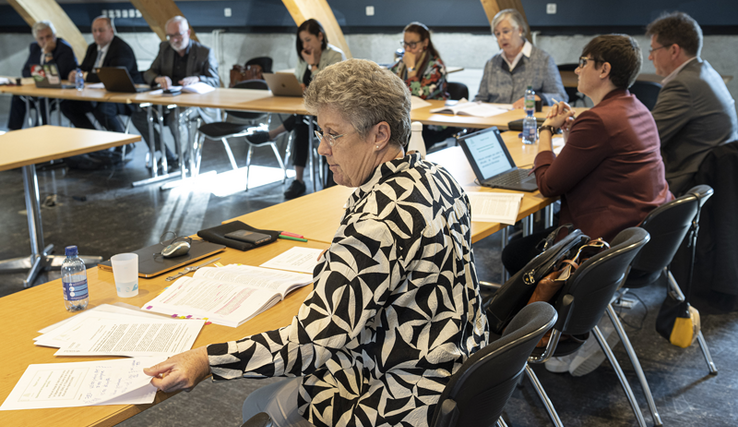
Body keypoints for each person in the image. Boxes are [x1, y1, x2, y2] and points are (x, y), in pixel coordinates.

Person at [144, 59, 488, 427]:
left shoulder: (377, 223)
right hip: (459, 366)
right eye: (321, 132)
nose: (323, 148)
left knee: (261, 407)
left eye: (334, 134)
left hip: (403, 393)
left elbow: (309, 344)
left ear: (380, 135)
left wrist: (205, 361)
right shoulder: (437, 175)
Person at [501, 34, 672, 275]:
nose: (578, 70)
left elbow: (548, 185)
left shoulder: (598, 119)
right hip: (638, 232)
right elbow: (597, 165)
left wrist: (547, 130)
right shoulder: (637, 107)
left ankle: (543, 311)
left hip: (604, 243)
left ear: (604, 69)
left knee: (514, 253)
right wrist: (571, 136)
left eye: (583, 62)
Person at [247, 19, 346, 199]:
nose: (305, 45)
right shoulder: (303, 57)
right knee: (301, 123)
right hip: (308, 110)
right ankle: (298, 180)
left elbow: (327, 87)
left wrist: (314, 65)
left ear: (320, 36)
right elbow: (300, 79)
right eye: (302, 41)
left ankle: (275, 137)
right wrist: (299, 84)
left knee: (301, 123)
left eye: (308, 40)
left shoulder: (335, 56)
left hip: (331, 111)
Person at [646, 12, 738, 196]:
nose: (650, 57)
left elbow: (646, 139)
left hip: (685, 183)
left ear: (674, 50)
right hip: (712, 183)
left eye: (653, 50)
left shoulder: (683, 85)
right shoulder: (706, 72)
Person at [131, 15, 220, 168]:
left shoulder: (204, 52)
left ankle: (183, 159)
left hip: (193, 103)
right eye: (170, 36)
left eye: (178, 34)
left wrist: (198, 79)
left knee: (175, 118)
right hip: (167, 99)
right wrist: (158, 79)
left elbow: (215, 81)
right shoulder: (165, 48)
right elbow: (149, 73)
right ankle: (165, 154)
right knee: (139, 116)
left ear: (188, 32)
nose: (174, 40)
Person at [61, 16, 141, 136]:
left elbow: (112, 77)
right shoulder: (92, 48)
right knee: (68, 105)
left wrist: (85, 76)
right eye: (94, 30)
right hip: (96, 95)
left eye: (101, 30)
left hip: (121, 97)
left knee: (102, 110)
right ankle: (93, 141)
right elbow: (83, 68)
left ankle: (123, 144)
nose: (97, 34)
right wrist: (75, 74)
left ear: (111, 31)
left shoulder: (122, 49)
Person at [474, 8, 567, 108]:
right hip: (494, 120)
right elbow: (481, 98)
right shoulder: (492, 62)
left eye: (506, 31)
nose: (501, 38)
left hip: (527, 119)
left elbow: (560, 97)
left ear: (520, 30)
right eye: (497, 34)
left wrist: (538, 98)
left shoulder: (543, 59)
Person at [389, 21, 454, 149]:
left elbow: (419, 95)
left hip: (432, 123)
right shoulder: (402, 63)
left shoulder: (436, 67)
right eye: (405, 44)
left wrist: (411, 69)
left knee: (404, 144)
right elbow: (388, 81)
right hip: (408, 118)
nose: (407, 49)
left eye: (412, 44)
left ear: (425, 43)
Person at [6, 20, 77, 130]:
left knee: (43, 98)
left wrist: (48, 54)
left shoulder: (64, 49)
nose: (46, 41)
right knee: (18, 96)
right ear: (36, 39)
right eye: (41, 38)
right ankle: (13, 131)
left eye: (48, 36)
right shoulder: (34, 47)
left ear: (54, 35)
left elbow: (57, 76)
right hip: (38, 89)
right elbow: (25, 71)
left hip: (59, 93)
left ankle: (39, 130)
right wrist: (40, 75)